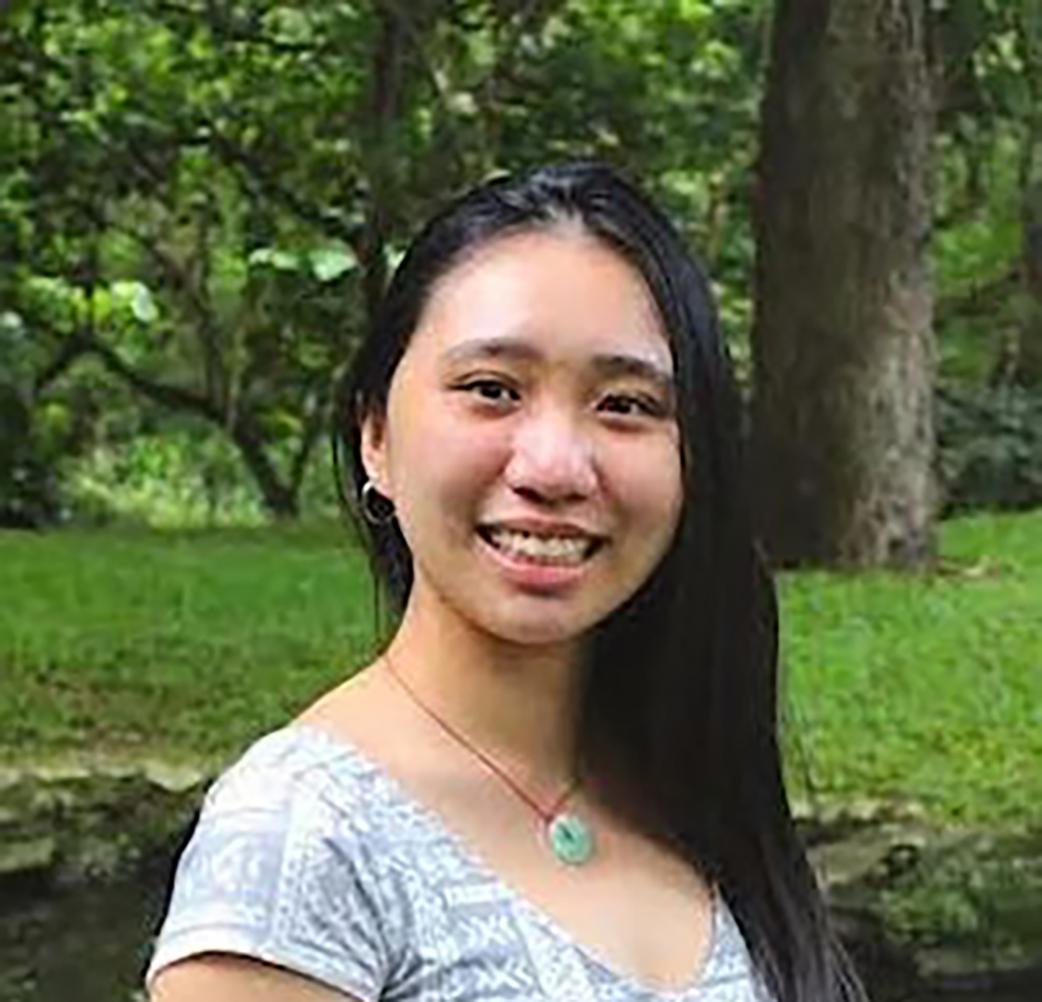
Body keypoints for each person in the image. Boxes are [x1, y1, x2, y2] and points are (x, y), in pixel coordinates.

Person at [146, 162, 866, 1002]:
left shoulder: (690, 783)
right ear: (375, 434)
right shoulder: (303, 837)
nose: (555, 468)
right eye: (492, 390)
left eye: (626, 404)